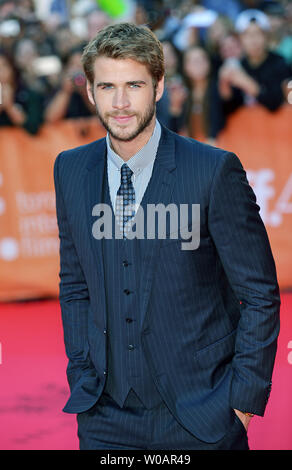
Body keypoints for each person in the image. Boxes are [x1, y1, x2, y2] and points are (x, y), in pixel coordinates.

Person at [53, 22, 280, 450]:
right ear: (89, 92)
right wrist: (82, 369)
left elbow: (260, 293)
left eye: (134, 85)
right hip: (104, 417)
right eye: (107, 86)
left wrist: (242, 401)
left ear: (158, 87)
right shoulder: (69, 169)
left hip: (202, 415)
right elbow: (75, 284)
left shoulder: (213, 170)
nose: (120, 103)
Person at [218, 9, 292, 113]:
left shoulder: (279, 62)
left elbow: (276, 103)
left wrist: (246, 83)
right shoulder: (238, 66)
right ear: (240, 38)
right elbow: (229, 110)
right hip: (247, 127)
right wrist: (224, 87)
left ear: (266, 36)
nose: (253, 40)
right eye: (247, 35)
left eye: (258, 33)